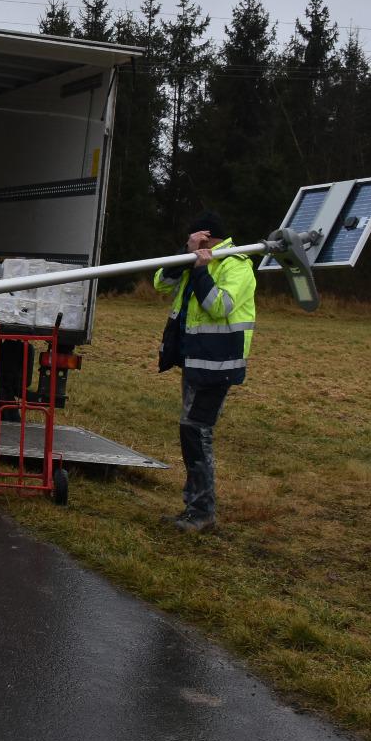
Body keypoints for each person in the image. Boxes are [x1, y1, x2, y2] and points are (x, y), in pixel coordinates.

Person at [153, 211, 256, 534]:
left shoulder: (236, 265)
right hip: (195, 360)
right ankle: (195, 508)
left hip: (217, 365)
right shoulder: (196, 260)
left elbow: (218, 305)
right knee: (193, 433)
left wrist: (201, 269)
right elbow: (160, 283)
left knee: (197, 434)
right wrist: (187, 258)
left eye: (194, 239)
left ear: (207, 237)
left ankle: (202, 513)